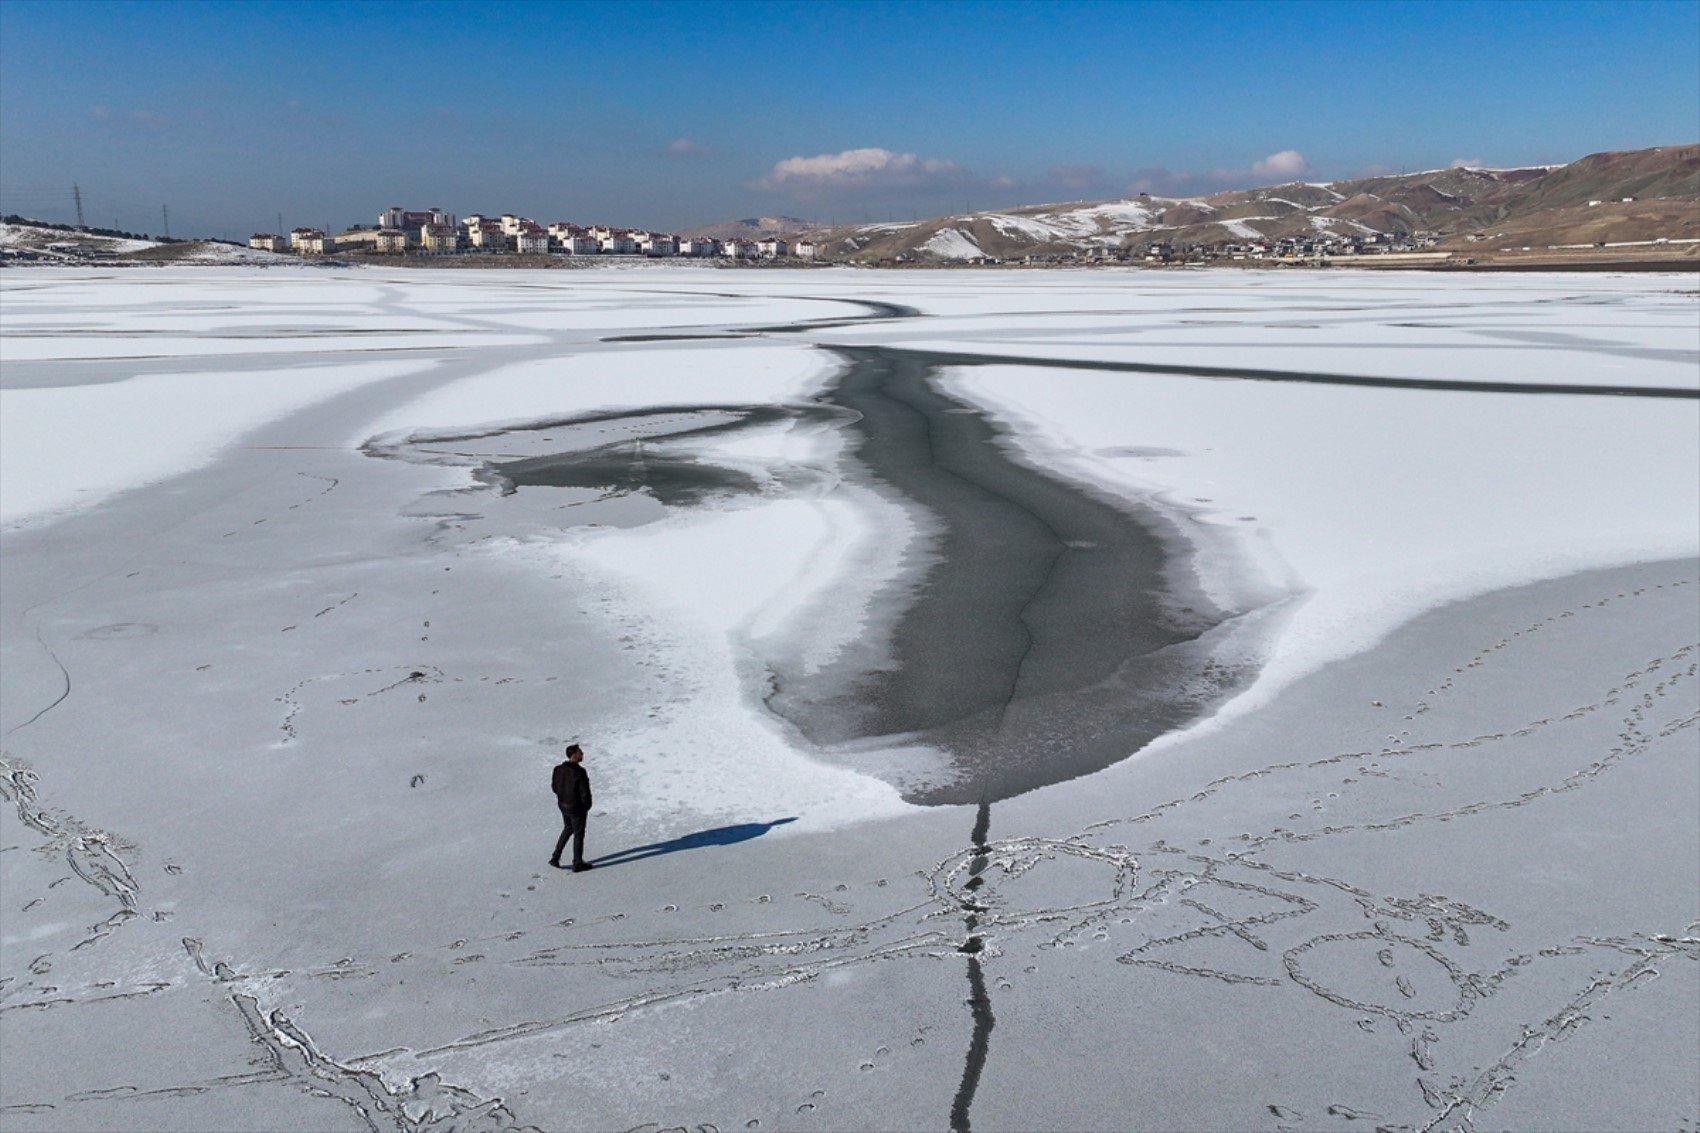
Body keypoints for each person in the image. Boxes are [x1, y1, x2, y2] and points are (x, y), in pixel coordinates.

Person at [549, 743, 594, 872]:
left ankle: (555, 857)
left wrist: (563, 799)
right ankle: (578, 862)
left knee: (568, 828)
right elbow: (585, 793)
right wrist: (586, 806)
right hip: (576, 809)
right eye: (580, 752)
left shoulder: (558, 769)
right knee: (578, 834)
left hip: (563, 806)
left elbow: (554, 788)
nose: (582, 754)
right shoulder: (579, 772)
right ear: (574, 755)